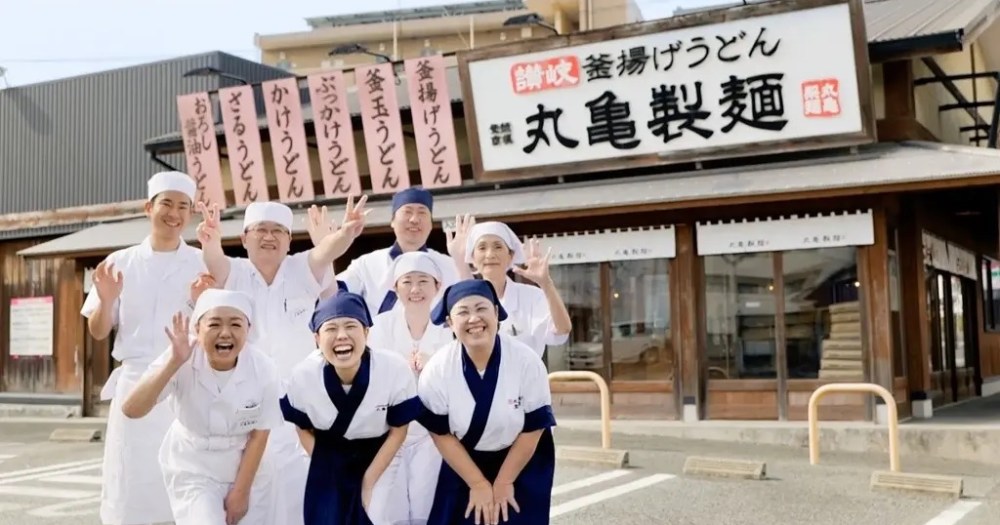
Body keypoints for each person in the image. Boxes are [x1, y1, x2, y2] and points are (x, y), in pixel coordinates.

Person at [196, 196, 368, 525]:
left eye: (278, 231)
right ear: (245, 238)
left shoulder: (302, 268)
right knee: (250, 497)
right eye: (260, 229)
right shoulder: (236, 272)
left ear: (290, 240)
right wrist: (210, 240)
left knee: (298, 495)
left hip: (300, 403)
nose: (269, 237)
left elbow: (327, 250)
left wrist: (346, 233)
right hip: (246, 403)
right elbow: (214, 260)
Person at [81, 170, 208, 525]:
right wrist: (106, 301)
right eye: (166, 203)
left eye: (183, 206)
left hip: (185, 384)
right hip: (135, 381)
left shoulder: (201, 263)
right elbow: (98, 331)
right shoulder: (119, 262)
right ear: (148, 208)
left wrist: (202, 302)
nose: (175, 213)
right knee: (131, 483)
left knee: (184, 480)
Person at [121, 289, 282, 525]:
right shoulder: (181, 355)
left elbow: (259, 434)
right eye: (214, 324)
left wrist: (241, 491)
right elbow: (131, 409)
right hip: (193, 466)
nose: (225, 333)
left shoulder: (264, 368)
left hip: (246, 469)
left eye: (236, 324)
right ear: (197, 329)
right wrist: (173, 363)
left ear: (248, 330)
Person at [417, 280, 557, 525]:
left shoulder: (527, 361)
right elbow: (440, 433)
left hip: (522, 457)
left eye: (481, 309)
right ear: (450, 322)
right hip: (464, 460)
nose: (474, 319)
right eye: (463, 312)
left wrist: (504, 482)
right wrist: (477, 483)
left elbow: (534, 426)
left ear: (496, 314)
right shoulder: (437, 370)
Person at [280, 292, 424, 524]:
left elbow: (399, 430)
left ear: (366, 332)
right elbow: (303, 428)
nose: (342, 336)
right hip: (326, 453)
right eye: (331, 329)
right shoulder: (303, 375)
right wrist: (328, 470)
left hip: (378, 452)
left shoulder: (393, 368)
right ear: (317, 337)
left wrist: (366, 483)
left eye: (351, 326)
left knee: (371, 515)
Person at [367, 252, 454, 525]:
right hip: (388, 433)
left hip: (430, 436)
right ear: (395, 287)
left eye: (423, 281)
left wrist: (433, 366)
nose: (415, 289)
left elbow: (457, 380)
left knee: (424, 510)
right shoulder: (380, 326)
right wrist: (399, 369)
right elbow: (369, 372)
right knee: (387, 512)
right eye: (407, 282)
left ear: (437, 286)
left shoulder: (449, 329)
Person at [336, 187, 461, 319]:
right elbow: (333, 295)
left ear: (430, 224)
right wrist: (340, 240)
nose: (414, 219)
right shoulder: (366, 264)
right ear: (392, 222)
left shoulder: (450, 266)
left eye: (422, 213)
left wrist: (462, 262)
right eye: (407, 212)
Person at [453, 220, 572, 359]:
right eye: (482, 248)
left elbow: (562, 330)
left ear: (511, 256)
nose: (490, 254)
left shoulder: (532, 297)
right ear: (472, 258)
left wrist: (546, 283)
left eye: (498, 247)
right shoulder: (463, 301)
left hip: (526, 379)